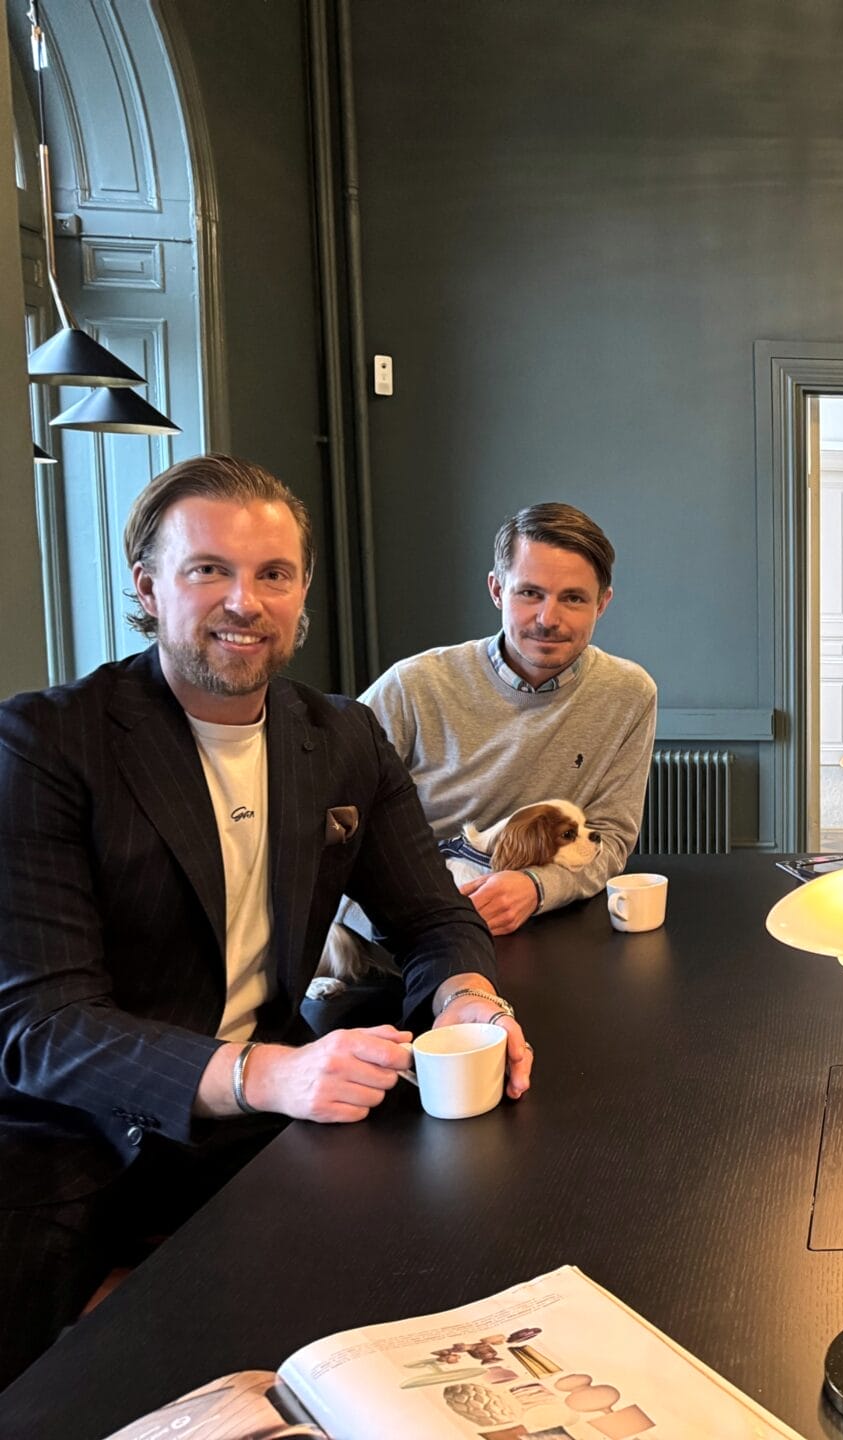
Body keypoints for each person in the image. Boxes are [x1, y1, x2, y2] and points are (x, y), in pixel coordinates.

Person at [0, 455, 531, 1390]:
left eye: (273, 574)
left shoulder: (343, 736)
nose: (245, 601)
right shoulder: (43, 742)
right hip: (67, 1133)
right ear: (148, 588)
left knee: (447, 1278)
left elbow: (429, 914)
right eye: (210, 569)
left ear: (301, 594)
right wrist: (266, 1072)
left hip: (256, 1123)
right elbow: (44, 1026)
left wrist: (468, 1000)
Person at [352, 503, 657, 937]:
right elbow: (333, 806)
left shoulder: (628, 694)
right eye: (530, 593)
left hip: (542, 923)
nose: (548, 619)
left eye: (573, 598)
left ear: (602, 604)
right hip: (409, 925)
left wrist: (536, 886)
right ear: (497, 590)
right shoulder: (413, 684)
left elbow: (610, 837)